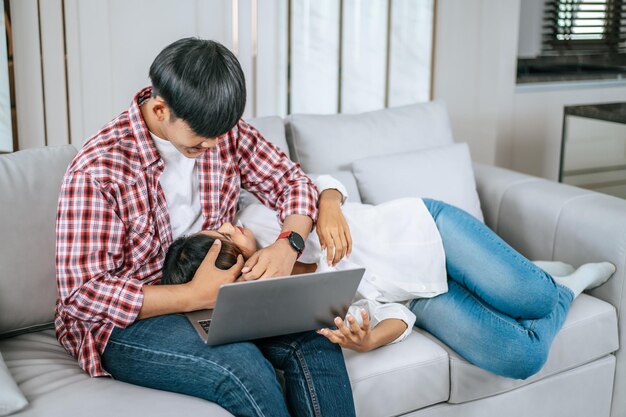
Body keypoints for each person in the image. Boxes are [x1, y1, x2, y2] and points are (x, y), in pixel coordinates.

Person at [54, 38, 356, 417]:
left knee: (318, 340)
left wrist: (287, 244)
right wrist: (195, 295)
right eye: (201, 139)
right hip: (128, 320)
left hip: (225, 294)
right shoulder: (98, 169)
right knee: (241, 367)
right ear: (160, 110)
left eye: (221, 134)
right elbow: (82, 293)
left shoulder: (219, 130)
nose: (215, 144)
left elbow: (290, 181)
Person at [163, 178, 616, 380]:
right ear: (236, 271)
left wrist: (330, 204)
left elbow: (317, 181)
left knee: (530, 297)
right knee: (521, 355)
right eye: (226, 239)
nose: (231, 226)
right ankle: (569, 285)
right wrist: (370, 340)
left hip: (426, 232)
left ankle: (539, 281)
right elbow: (392, 310)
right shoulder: (284, 302)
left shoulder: (260, 217)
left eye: (219, 226)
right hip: (418, 294)